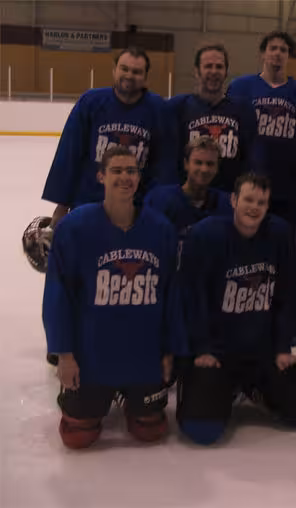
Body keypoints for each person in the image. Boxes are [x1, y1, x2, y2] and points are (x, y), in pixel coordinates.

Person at [42, 145, 185, 449]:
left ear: (139, 177)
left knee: (150, 430)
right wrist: (64, 355)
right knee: (77, 436)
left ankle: (126, 393)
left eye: (131, 171)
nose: (124, 177)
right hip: (92, 353)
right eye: (116, 170)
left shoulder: (161, 229)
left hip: (143, 352)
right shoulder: (74, 228)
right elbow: (58, 294)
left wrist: (168, 351)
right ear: (101, 176)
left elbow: (172, 296)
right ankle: (107, 391)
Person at [176, 173, 296, 445]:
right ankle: (221, 387)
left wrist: (282, 347)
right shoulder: (206, 235)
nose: (254, 207)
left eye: (261, 202)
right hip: (217, 352)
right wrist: (202, 348)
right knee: (201, 430)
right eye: (248, 200)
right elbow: (193, 296)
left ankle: (255, 388)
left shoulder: (279, 234)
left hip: (261, 351)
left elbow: (289, 292)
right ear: (234, 200)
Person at [42, 47, 177, 229]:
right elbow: (70, 154)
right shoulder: (90, 102)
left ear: (146, 77)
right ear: (114, 71)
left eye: (136, 72)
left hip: (136, 208)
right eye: (124, 69)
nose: (129, 75)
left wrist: (155, 207)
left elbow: (163, 164)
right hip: (88, 202)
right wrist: (61, 206)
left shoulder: (158, 108)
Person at [227, 31, 296, 235]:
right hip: (249, 180)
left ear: (288, 56)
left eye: (283, 50)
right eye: (272, 48)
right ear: (263, 54)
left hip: (286, 183)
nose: (277, 53)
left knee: (284, 238)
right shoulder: (240, 87)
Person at [167, 43, 258, 193]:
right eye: (208, 66)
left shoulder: (243, 110)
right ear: (197, 71)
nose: (214, 71)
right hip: (188, 197)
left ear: (226, 72)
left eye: (219, 67)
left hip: (229, 197)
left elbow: (251, 159)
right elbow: (170, 158)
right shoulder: (178, 107)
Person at [144, 136, 233, 267]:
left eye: (210, 164)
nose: (204, 169)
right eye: (198, 162)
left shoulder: (227, 204)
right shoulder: (160, 199)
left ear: (217, 168)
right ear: (186, 164)